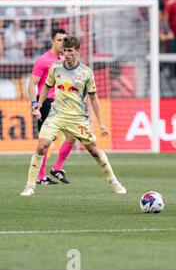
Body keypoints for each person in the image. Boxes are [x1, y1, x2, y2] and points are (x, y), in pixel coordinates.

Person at [20, 36, 126, 196]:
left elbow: (93, 98)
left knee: (95, 151)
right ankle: (29, 186)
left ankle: (114, 181)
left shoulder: (85, 72)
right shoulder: (55, 69)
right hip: (56, 115)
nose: (66, 54)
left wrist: (101, 123)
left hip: (77, 118)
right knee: (42, 146)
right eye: (64, 51)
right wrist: (38, 104)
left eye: (70, 51)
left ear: (77, 52)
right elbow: (46, 86)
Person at [28, 28, 76, 185]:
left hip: (64, 103)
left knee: (72, 136)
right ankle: (40, 177)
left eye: (64, 40)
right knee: (45, 141)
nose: (62, 43)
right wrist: (34, 105)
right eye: (59, 40)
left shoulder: (67, 61)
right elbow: (32, 84)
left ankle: (56, 168)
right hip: (47, 102)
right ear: (52, 41)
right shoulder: (43, 60)